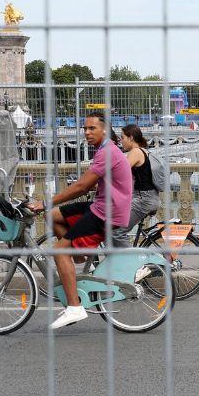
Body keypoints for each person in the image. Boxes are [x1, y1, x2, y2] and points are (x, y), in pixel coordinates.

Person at [27, 112, 133, 329]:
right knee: (53, 215)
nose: (86, 132)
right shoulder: (105, 149)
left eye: (92, 128)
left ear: (104, 130)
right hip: (102, 205)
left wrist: (45, 202)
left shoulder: (107, 152)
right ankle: (78, 254)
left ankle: (75, 307)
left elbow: (81, 187)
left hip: (107, 213)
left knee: (58, 250)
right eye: (85, 128)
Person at [120, 124, 161, 239]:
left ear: (131, 138)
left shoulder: (136, 152)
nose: (120, 141)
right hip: (147, 197)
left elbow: (120, 173)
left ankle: (128, 257)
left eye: (122, 137)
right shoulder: (143, 151)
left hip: (144, 200)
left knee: (116, 231)